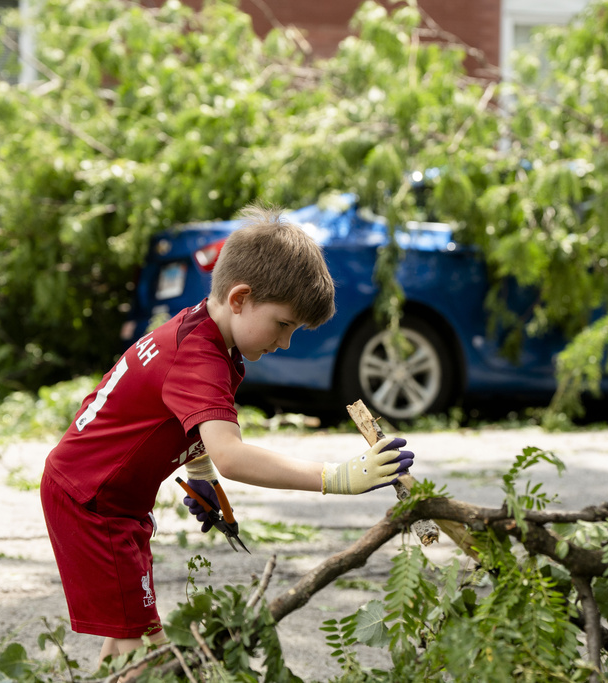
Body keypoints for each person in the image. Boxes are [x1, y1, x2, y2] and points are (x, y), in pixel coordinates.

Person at [40, 204, 414, 674]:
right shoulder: (200, 358)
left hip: (106, 497)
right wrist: (336, 477)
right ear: (240, 298)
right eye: (283, 325)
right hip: (92, 503)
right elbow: (234, 456)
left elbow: (172, 419)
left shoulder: (206, 333)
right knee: (144, 648)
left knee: (134, 639)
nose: (284, 343)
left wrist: (198, 473)